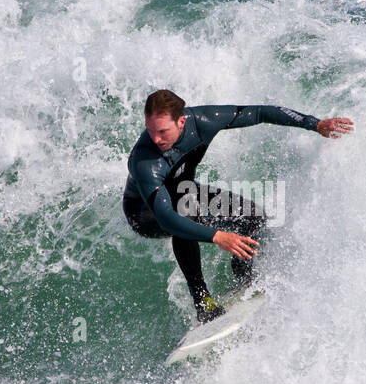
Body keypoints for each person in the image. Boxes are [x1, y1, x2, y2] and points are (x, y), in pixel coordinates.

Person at [123, 89, 354, 322]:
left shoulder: (204, 121)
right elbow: (166, 219)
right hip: (143, 214)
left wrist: (315, 124)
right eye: (150, 130)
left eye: (163, 131)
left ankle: (243, 279)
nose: (156, 139)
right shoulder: (145, 161)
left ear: (181, 121)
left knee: (253, 217)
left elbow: (260, 112)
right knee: (185, 213)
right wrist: (218, 236)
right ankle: (203, 302)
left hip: (184, 193)